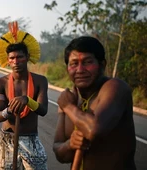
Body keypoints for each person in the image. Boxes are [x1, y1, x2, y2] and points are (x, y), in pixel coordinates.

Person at [53, 36, 136, 170]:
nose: (80, 70)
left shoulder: (115, 88)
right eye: (74, 64)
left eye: (87, 62)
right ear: (67, 67)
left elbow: (94, 130)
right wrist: (70, 144)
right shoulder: (70, 98)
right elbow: (59, 153)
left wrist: (68, 106)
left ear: (102, 64)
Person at [0, 21, 49, 170]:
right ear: (7, 60)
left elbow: (43, 110)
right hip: (7, 139)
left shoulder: (40, 81)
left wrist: (27, 101)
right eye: (12, 58)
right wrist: (9, 110)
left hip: (31, 139)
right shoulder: (0, 82)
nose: (15, 62)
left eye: (19, 57)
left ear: (28, 57)